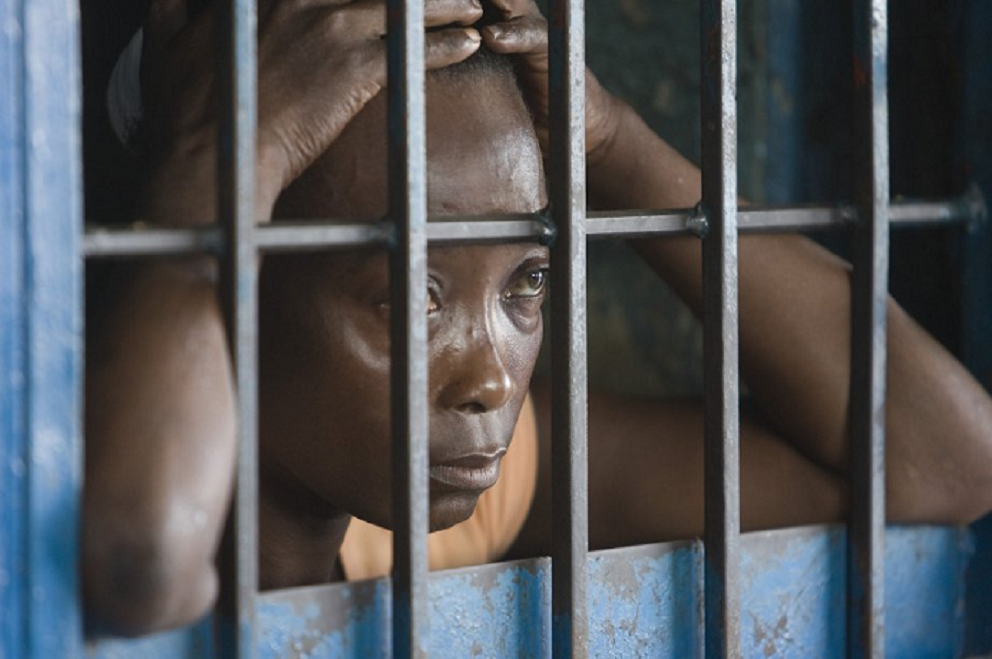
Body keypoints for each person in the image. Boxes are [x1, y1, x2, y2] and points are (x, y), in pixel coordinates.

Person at [83, 0, 992, 638]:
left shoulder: (459, 500)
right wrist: (211, 165)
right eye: (413, 298)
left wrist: (612, 143)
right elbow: (143, 555)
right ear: (240, 271)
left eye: (527, 283)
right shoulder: (77, 498)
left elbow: (946, 461)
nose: (488, 378)